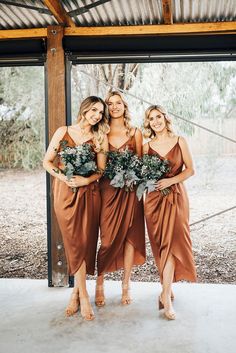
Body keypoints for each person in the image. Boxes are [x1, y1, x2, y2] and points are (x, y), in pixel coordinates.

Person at [43, 96, 109, 321]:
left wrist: (85, 180)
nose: (97, 115)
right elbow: (47, 162)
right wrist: (65, 177)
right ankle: (81, 294)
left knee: (84, 242)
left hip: (89, 194)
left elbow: (101, 171)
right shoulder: (63, 131)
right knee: (73, 242)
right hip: (64, 193)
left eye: (100, 112)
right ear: (84, 109)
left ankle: (78, 295)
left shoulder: (100, 137)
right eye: (94, 110)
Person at [143, 105, 197, 320]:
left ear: (165, 118)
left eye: (158, 117)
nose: (155, 121)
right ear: (148, 123)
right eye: (151, 118)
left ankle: (165, 297)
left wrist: (170, 180)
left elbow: (191, 169)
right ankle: (166, 287)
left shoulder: (179, 141)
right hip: (154, 200)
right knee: (160, 244)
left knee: (174, 243)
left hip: (176, 197)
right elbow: (139, 173)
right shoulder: (146, 147)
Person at [96, 91, 146, 306]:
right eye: (110, 103)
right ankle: (99, 283)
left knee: (129, 238)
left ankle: (126, 285)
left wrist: (132, 177)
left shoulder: (135, 132)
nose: (114, 107)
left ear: (125, 106)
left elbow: (141, 163)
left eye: (118, 103)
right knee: (106, 239)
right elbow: (99, 166)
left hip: (130, 191)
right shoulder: (100, 131)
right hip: (108, 190)